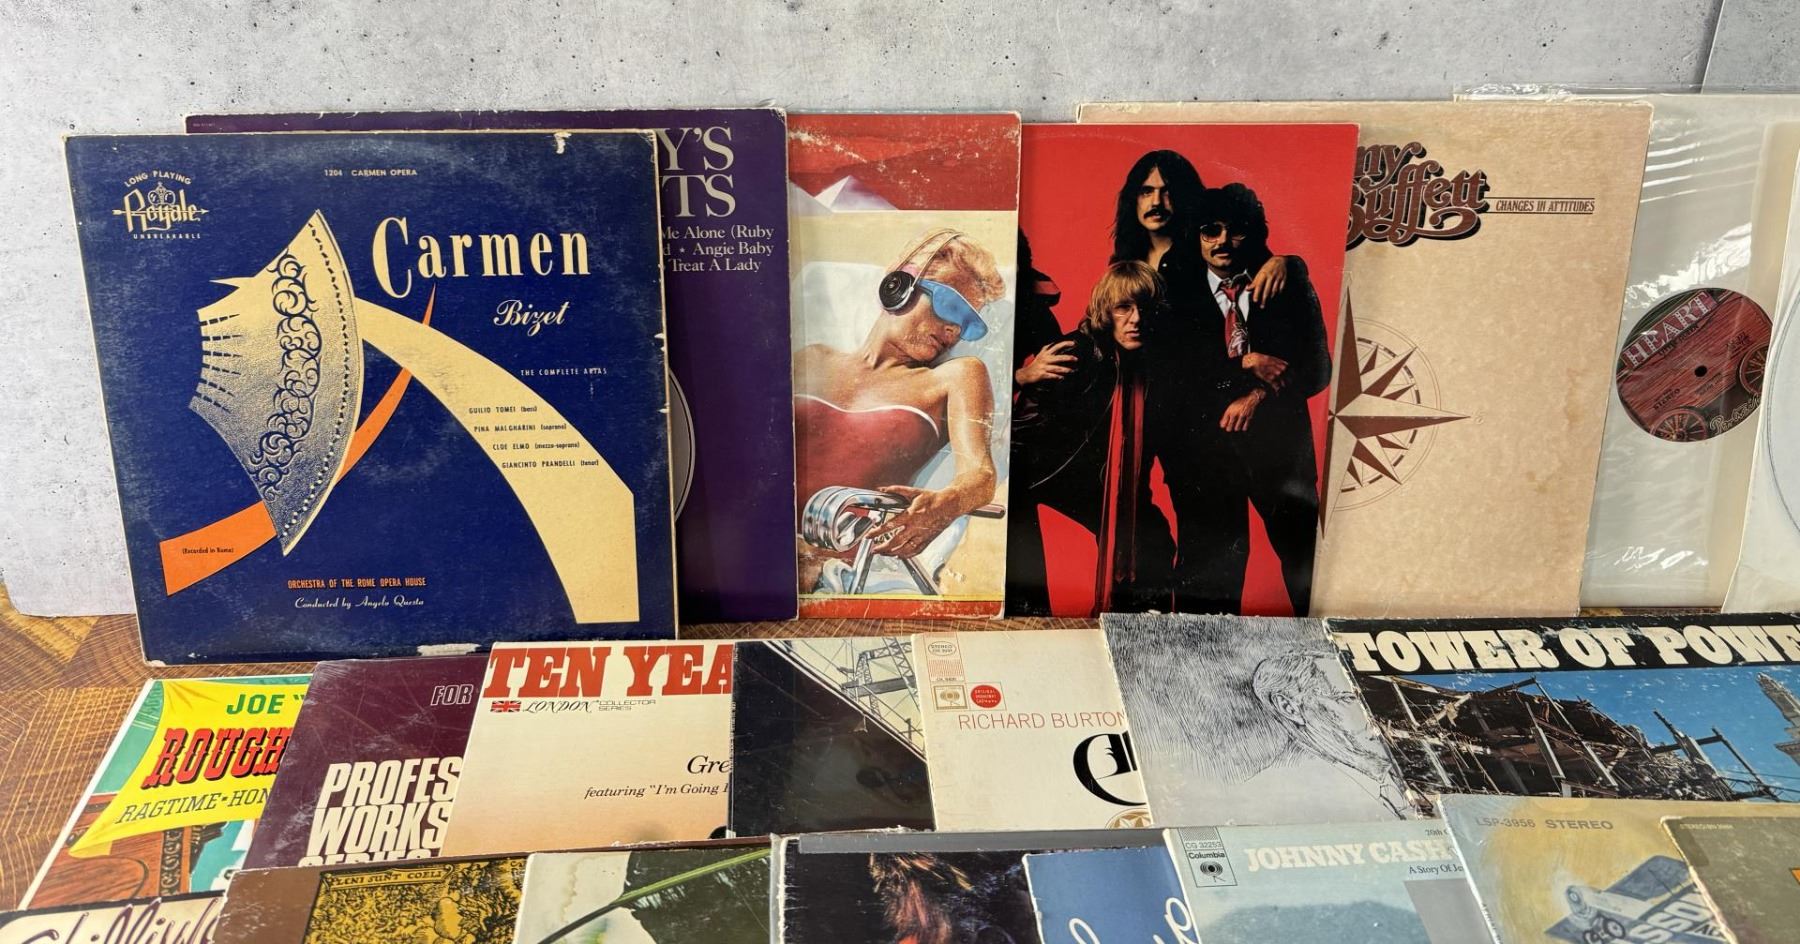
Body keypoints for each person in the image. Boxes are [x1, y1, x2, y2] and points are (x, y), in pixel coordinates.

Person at [1107, 151, 1293, 614]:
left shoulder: (1204, 247)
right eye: (1146, 191)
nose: (1157, 202)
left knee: (1210, 530)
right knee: (1129, 512)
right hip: (1135, 402)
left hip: (1198, 410)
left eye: (1167, 191)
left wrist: (1287, 261)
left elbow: (1259, 264)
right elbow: (1102, 320)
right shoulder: (1125, 259)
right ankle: (1144, 621)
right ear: (1132, 199)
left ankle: (1200, 631)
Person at [792, 228, 1005, 594]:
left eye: (968, 324)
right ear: (900, 286)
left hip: (836, 567)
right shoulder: (810, 359)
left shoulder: (955, 377)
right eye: (950, 307)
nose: (954, 329)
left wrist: (945, 505)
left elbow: (980, 475)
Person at [1005, 261, 1176, 615]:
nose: (1136, 319)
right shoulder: (1075, 353)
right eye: (1123, 308)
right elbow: (1020, 427)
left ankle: (1132, 626)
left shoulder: (1147, 363)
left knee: (1153, 536)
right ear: (1106, 311)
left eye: (1144, 308)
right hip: (1039, 473)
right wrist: (1019, 377)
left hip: (1089, 477)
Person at [1196, 183, 1331, 614]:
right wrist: (1244, 364)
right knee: (1214, 580)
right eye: (1210, 230)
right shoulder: (1180, 294)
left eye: (1235, 231)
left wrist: (1257, 395)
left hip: (1281, 454)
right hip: (1209, 456)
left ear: (1253, 233)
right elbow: (1177, 372)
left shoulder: (1285, 283)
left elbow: (1319, 369)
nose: (1222, 241)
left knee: (1307, 572)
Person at [1244, 649, 1409, 818]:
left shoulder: (1400, 773)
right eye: (1349, 698)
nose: (1379, 714)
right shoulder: (1275, 800)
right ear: (1289, 708)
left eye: (1373, 698)